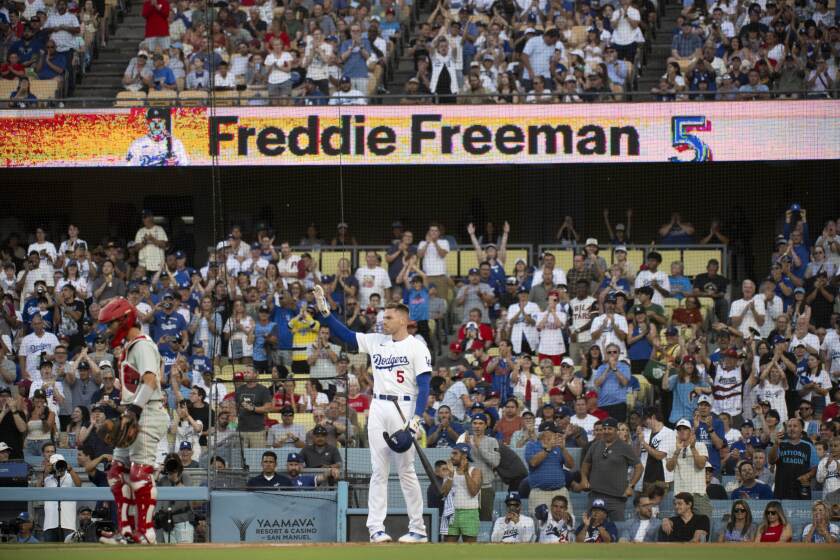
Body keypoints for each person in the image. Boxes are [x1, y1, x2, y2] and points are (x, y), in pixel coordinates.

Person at [315, 285, 431, 543]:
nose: (383, 321)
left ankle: (418, 529)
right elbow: (344, 334)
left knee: (406, 471)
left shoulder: (417, 347)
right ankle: (376, 529)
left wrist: (415, 422)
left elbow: (424, 387)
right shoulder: (376, 340)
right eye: (383, 317)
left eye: (389, 317)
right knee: (379, 471)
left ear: (403, 319)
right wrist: (325, 312)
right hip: (378, 407)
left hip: (404, 408)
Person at [96, 297, 169, 544]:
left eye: (111, 324)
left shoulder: (141, 345)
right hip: (133, 412)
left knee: (139, 474)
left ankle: (146, 533)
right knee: (117, 473)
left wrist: (134, 412)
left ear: (124, 320)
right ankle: (125, 532)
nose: (108, 330)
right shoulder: (130, 347)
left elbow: (150, 380)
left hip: (147, 412)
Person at [580, 417, 642, 522]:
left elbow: (639, 467)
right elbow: (586, 463)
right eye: (604, 428)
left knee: (618, 529)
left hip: (616, 498)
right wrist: (584, 478)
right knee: (592, 528)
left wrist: (631, 486)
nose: (606, 431)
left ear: (616, 431)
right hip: (596, 495)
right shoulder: (595, 445)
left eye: (610, 429)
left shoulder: (625, 447)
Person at [525, 422, 576, 516]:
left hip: (560, 491)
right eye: (552, 433)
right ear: (542, 434)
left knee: (565, 523)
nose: (555, 435)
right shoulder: (532, 445)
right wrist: (548, 449)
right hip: (539, 493)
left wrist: (564, 449)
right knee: (540, 524)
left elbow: (571, 465)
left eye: (554, 433)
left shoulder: (558, 447)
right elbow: (533, 462)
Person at [666, 418, 710, 517]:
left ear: (691, 431)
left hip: (698, 494)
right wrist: (677, 451)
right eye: (679, 429)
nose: (682, 431)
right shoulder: (673, 447)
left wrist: (693, 448)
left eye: (685, 429)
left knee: (704, 526)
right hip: (680, 495)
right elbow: (669, 468)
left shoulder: (700, 445)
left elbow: (701, 465)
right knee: (681, 529)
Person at [441, 442, 482, 543]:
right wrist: (450, 475)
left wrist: (465, 472)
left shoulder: (475, 471)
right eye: (452, 453)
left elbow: (473, 491)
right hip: (451, 513)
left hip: (469, 513)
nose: (452, 456)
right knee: (448, 549)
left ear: (464, 456)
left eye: (455, 454)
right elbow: (445, 493)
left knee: (470, 549)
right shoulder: (449, 471)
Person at [768, 416, 817, 499]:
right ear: (786, 429)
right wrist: (775, 444)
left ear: (801, 429)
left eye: (795, 426)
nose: (792, 428)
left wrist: (807, 476)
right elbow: (771, 461)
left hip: (802, 488)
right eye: (789, 426)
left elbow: (815, 467)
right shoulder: (780, 443)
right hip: (782, 488)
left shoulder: (808, 446)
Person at [155, 453, 194, 544]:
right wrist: (157, 474)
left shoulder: (185, 477)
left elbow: (188, 496)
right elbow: (152, 494)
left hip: (182, 522)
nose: (171, 466)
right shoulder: (163, 480)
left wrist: (175, 480)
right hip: (166, 523)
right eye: (169, 463)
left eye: (174, 463)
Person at [41, 453, 81, 541]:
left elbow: (79, 485)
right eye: (55, 465)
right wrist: (44, 473)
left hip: (68, 522)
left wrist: (71, 470)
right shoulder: (47, 479)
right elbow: (37, 491)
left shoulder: (71, 477)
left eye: (60, 464)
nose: (58, 467)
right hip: (50, 523)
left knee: (69, 552)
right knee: (49, 551)